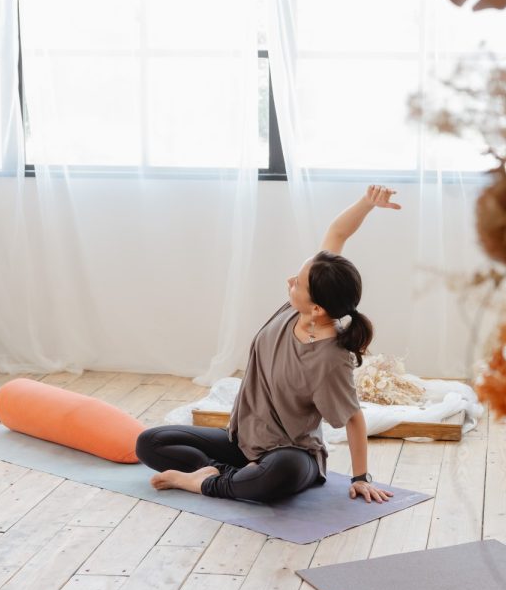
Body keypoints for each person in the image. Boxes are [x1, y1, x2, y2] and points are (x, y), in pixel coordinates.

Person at [135, 185, 400, 504]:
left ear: (317, 308)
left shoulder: (331, 358)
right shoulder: (299, 306)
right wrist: (367, 203)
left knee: (278, 474)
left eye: (297, 283)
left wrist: (360, 478)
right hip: (241, 441)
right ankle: (222, 473)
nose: (290, 281)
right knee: (150, 443)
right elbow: (337, 233)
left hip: (289, 453)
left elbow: (353, 417)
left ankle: (206, 482)